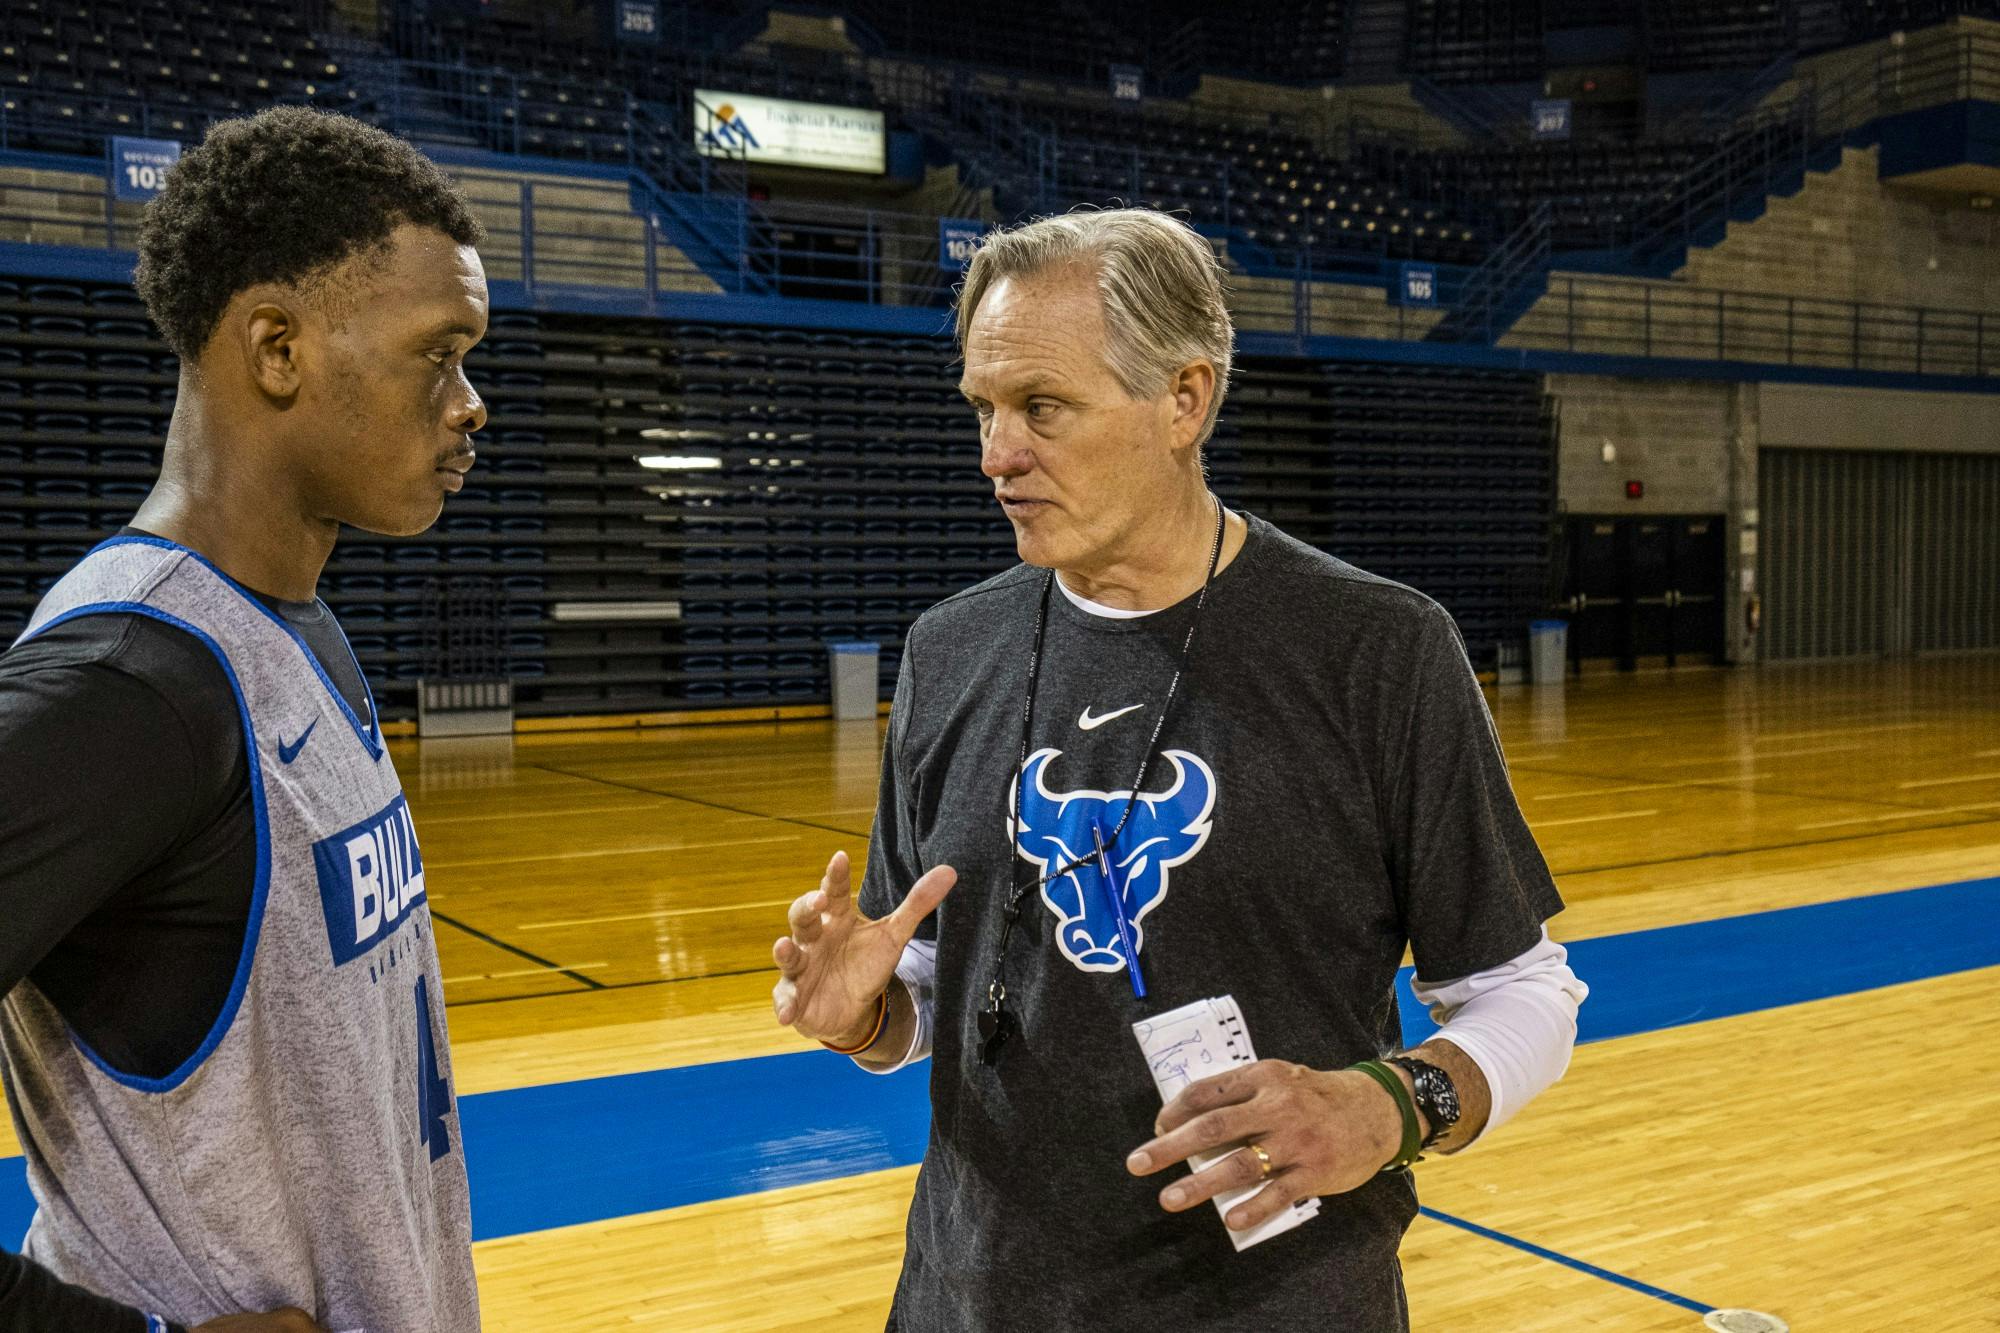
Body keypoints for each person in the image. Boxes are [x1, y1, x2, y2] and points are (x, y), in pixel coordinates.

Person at [771, 207, 1589, 1330]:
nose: (997, 455)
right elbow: (929, 989)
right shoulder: (947, 648)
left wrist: (1395, 1106)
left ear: (1183, 400)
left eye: (1042, 408)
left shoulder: (1376, 649)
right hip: (970, 1299)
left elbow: (1521, 991)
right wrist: (866, 1019)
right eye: (984, 409)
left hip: (1275, 1303)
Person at [0, 107, 489, 1332]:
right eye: (439, 352)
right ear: (276, 347)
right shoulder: (130, 681)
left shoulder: (285, 626)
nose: (471, 401)